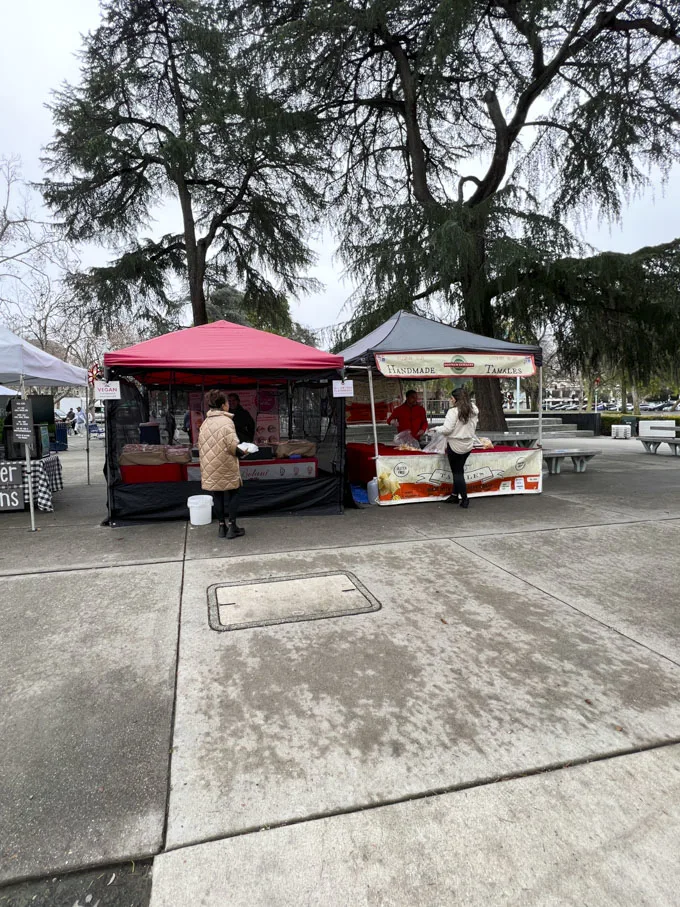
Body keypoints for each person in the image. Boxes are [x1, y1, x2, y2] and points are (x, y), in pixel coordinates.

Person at [198, 389, 248, 539]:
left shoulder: (205, 422)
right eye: (227, 402)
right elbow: (233, 447)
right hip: (226, 464)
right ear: (222, 405)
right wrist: (244, 451)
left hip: (210, 466)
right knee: (234, 492)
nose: (228, 405)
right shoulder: (227, 421)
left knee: (217, 495)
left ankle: (221, 527)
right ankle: (233, 527)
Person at [438, 387, 479, 508]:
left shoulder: (453, 412)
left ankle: (465, 499)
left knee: (457, 473)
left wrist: (436, 429)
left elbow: (447, 430)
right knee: (459, 470)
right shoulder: (474, 409)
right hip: (468, 445)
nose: (450, 399)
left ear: (456, 399)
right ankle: (454, 495)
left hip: (455, 444)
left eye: (451, 397)